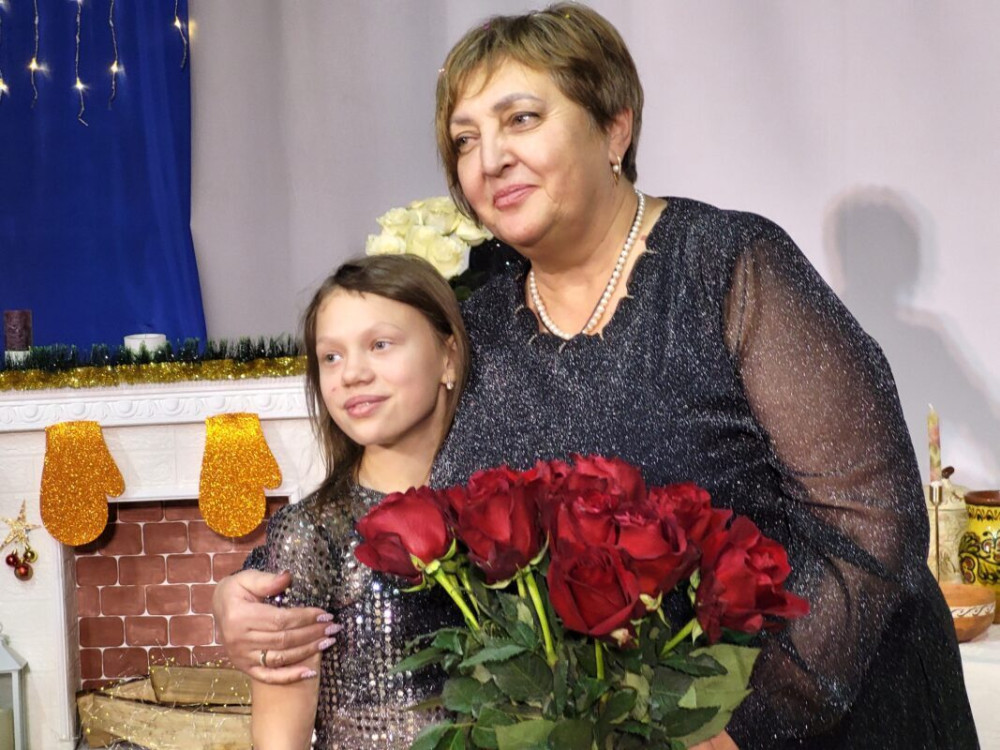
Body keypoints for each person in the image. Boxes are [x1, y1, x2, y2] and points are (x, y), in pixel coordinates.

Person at [216, 5, 978, 749]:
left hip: (825, 717)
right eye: (465, 139)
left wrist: (741, 728)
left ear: (615, 127)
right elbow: (397, 492)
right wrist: (252, 593)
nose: (489, 159)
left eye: (521, 119)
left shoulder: (729, 268)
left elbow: (868, 522)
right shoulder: (480, 326)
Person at [246, 254, 469, 749]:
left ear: (448, 357)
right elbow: (279, 739)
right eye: (331, 356)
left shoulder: (495, 510)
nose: (351, 374)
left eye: (380, 344)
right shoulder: (310, 533)